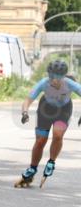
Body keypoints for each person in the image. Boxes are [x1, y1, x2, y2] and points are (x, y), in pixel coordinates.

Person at [16, 59, 81, 188]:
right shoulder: (43, 83)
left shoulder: (70, 84)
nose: (54, 81)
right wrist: (25, 112)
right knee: (40, 141)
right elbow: (28, 100)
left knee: (57, 135)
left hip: (64, 110)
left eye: (57, 78)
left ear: (63, 77)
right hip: (45, 109)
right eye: (51, 77)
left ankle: (51, 161)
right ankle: (32, 168)